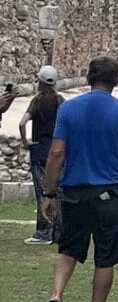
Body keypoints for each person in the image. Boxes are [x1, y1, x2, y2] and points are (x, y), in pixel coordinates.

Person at [37, 55, 118, 302]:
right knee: (105, 257)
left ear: (88, 78)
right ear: (116, 80)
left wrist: (50, 193)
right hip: (108, 192)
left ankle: (56, 295)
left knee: (68, 248)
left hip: (74, 191)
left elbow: (56, 153)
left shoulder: (69, 110)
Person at [19, 66, 65, 245]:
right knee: (58, 191)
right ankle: (59, 232)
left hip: (39, 151)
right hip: (57, 150)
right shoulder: (60, 101)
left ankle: (43, 232)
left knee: (42, 192)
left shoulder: (37, 101)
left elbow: (22, 123)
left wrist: (25, 142)